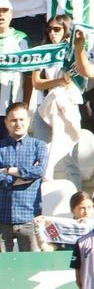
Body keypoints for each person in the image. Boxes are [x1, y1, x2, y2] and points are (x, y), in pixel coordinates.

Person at [0, 103, 46, 252]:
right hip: (2, 217)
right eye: (13, 120)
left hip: (29, 217)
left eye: (21, 119)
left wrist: (9, 171)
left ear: (28, 120)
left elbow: (39, 171)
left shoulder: (39, 146)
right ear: (6, 122)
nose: (18, 123)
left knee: (32, 268)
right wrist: (24, 177)